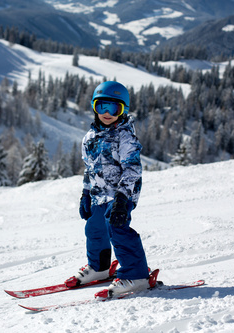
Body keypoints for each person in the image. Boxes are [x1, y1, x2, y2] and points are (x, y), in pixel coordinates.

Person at [67, 81, 150, 297]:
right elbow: (89, 169)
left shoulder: (125, 137)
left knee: (117, 229)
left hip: (122, 194)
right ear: (94, 107)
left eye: (114, 108)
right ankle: (99, 268)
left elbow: (132, 169)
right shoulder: (89, 139)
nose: (107, 113)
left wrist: (123, 199)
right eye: (101, 106)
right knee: (94, 228)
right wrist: (85, 193)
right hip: (98, 194)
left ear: (123, 110)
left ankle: (137, 275)